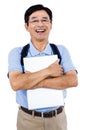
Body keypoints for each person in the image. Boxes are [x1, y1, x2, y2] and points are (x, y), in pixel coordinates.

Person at [8, 4, 78, 130]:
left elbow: (72, 81)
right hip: (28, 120)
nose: (40, 24)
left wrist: (32, 81)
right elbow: (16, 83)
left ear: (51, 25)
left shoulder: (61, 51)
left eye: (45, 20)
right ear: (26, 26)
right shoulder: (17, 53)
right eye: (34, 20)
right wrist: (49, 71)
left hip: (58, 119)